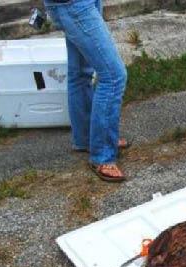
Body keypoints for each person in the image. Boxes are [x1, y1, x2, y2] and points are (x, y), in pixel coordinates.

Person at [44, 0, 129, 182]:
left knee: (81, 72)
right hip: (73, 5)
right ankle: (103, 155)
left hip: (77, 4)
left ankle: (86, 139)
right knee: (113, 76)